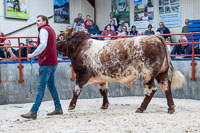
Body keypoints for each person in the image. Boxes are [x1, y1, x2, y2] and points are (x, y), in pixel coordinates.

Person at [21, 15, 63, 120]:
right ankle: (58, 108)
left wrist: (33, 54)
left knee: (41, 87)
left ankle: (33, 111)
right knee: (51, 86)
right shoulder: (51, 30)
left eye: (39, 20)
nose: (37, 22)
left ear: (44, 21)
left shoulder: (43, 30)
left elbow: (43, 44)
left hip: (46, 62)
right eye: (37, 21)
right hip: (53, 62)